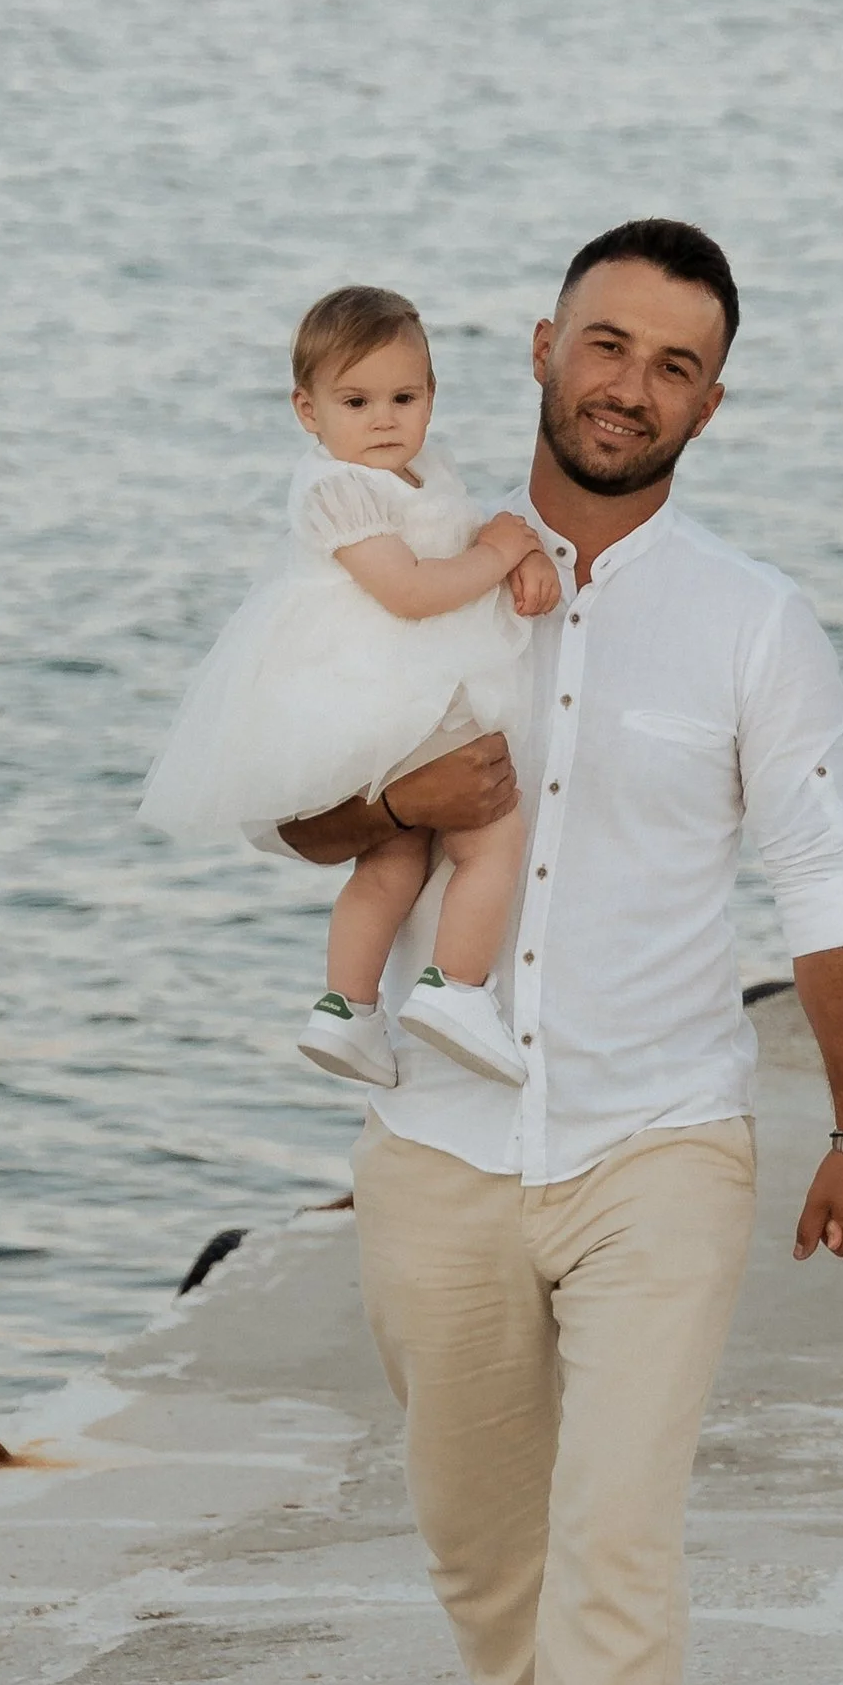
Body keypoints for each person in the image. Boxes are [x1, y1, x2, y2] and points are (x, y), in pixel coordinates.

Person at [277, 220, 843, 1685]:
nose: (633, 383)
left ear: (714, 400)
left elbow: (821, 875)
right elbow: (305, 817)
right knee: (481, 1536)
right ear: (544, 344)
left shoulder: (752, 619)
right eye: (609, 342)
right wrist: (402, 794)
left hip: (660, 1133)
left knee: (620, 1525)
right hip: (442, 1139)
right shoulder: (410, 565)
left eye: (677, 363)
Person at [141, 286, 559, 1089]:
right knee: (491, 835)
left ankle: (347, 1011)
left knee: (394, 860)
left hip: (392, 695)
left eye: (405, 397)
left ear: (432, 397)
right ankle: (457, 991)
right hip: (379, 687)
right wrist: (504, 557)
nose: (384, 420)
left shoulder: (418, 472)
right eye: (356, 401)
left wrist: (523, 554)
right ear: (308, 410)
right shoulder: (336, 489)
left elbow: (469, 530)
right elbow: (410, 591)